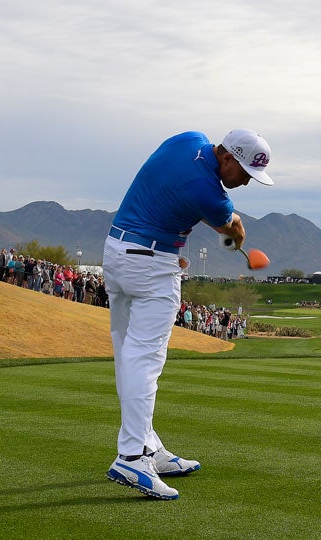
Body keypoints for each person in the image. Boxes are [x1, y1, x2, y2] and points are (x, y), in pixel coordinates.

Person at [104, 129, 274, 500]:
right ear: (227, 157)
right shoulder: (209, 193)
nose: (245, 181)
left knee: (128, 355)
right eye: (244, 173)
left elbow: (175, 187)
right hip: (151, 267)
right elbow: (233, 228)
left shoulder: (188, 138)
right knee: (145, 362)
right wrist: (236, 240)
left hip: (116, 251)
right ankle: (132, 456)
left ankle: (147, 445)